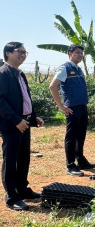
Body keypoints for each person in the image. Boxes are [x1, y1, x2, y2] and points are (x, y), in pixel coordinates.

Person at [0, 42, 44, 211]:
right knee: (10, 160)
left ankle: (23, 189)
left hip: (24, 123)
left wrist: (33, 118)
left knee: (24, 158)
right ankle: (11, 197)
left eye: (26, 52)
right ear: (8, 53)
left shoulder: (20, 74)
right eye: (20, 52)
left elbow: (25, 99)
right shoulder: (3, 73)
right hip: (12, 125)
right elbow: (1, 101)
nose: (24, 55)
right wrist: (16, 120)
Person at [49, 44, 95, 177]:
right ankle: (70, 165)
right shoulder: (65, 68)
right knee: (71, 137)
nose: (80, 55)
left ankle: (80, 159)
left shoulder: (79, 70)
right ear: (69, 53)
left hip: (82, 106)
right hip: (72, 108)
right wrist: (61, 106)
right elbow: (52, 86)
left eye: (81, 53)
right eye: (77, 53)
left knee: (81, 135)